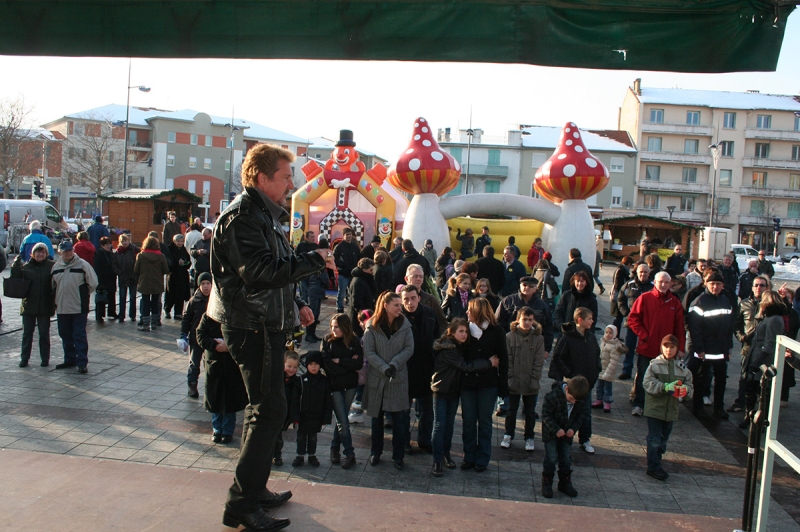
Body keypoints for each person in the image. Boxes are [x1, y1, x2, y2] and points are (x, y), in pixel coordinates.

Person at [209, 145, 329, 530]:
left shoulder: (261, 215)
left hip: (266, 324)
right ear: (262, 179)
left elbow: (271, 270)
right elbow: (259, 271)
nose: (292, 182)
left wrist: (295, 302)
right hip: (252, 327)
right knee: (270, 409)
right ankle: (241, 503)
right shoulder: (243, 218)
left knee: (265, 409)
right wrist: (314, 259)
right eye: (285, 176)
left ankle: (253, 491)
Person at [430, 318, 497, 476]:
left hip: (453, 392)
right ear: (451, 332)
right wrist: (488, 363)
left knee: (449, 425)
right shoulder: (449, 349)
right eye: (460, 331)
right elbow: (465, 366)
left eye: (466, 331)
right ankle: (437, 460)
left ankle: (446, 454)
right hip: (441, 390)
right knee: (440, 425)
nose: (464, 334)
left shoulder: (459, 347)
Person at [363, 291, 414, 470]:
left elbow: (409, 348)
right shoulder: (372, 326)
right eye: (397, 305)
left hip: (398, 378)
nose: (400, 308)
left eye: (400, 305)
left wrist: (394, 364)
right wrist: (384, 367)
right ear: (386, 306)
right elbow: (369, 351)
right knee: (376, 420)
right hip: (378, 379)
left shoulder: (405, 326)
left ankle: (398, 456)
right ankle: (375, 452)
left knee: (399, 421)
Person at [627, 271, 685, 417]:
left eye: (667, 282)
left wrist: (680, 348)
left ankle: (658, 406)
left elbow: (679, 327)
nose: (664, 285)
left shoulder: (674, 302)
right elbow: (633, 319)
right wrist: (645, 335)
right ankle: (639, 404)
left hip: (667, 350)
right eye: (661, 282)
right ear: (655, 282)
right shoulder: (645, 298)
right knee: (643, 376)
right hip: (647, 347)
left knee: (664, 377)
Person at [461, 298, 508, 472]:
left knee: (485, 422)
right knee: (468, 421)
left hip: (488, 384)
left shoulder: (497, 331)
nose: (466, 312)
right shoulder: (464, 330)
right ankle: (469, 456)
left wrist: (503, 387)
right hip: (468, 383)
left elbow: (503, 359)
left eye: (470, 310)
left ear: (478, 312)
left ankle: (482, 458)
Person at [549, 307, 601, 454]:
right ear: (580, 320)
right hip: (573, 383)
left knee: (586, 412)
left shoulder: (590, 337)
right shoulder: (567, 337)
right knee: (567, 411)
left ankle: (585, 439)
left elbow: (597, 355)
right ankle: (563, 438)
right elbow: (558, 357)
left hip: (587, 383)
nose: (592, 321)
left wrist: (596, 371)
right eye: (589, 319)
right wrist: (570, 375)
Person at [642, 335, 693, 481]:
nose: (668, 350)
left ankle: (656, 459)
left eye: (672, 347)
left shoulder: (682, 369)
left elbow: (690, 386)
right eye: (666, 347)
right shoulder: (654, 365)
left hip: (670, 411)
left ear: (677, 349)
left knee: (663, 440)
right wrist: (664, 387)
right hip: (655, 409)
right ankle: (653, 466)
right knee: (654, 439)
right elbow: (647, 384)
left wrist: (685, 390)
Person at [686, 270, 735, 420]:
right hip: (705, 350)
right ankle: (698, 407)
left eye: (718, 284)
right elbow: (695, 329)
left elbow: (729, 326)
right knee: (701, 379)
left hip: (721, 349)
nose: (715, 287)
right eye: (712, 284)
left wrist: (729, 347)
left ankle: (719, 408)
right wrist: (699, 349)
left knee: (721, 380)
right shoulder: (699, 302)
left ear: (723, 285)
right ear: (706, 284)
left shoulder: (726, 300)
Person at [196, 313, 249, 444]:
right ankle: (217, 429)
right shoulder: (208, 316)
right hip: (214, 363)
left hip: (232, 365)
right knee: (215, 398)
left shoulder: (236, 315)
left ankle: (227, 431)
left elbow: (243, 336)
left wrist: (229, 345)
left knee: (230, 399)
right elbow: (200, 335)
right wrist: (214, 345)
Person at [321, 314, 363, 469]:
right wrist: (348, 363)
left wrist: (339, 361)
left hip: (350, 385)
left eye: (337, 326)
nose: (333, 329)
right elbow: (326, 364)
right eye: (332, 326)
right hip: (335, 385)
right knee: (342, 421)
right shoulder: (327, 340)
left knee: (342, 419)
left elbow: (358, 364)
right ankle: (349, 453)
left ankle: (334, 448)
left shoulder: (354, 341)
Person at [501, 307, 545, 452]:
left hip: (530, 381)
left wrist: (534, 378)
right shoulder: (509, 337)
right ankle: (508, 434)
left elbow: (539, 362)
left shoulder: (538, 338)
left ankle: (529, 437)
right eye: (524, 319)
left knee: (530, 412)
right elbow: (508, 359)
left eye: (530, 320)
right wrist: (510, 377)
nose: (527, 322)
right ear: (518, 319)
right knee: (510, 410)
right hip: (514, 380)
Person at [400, 284, 438, 454]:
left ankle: (424, 439)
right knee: (403, 410)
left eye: (413, 298)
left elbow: (436, 337)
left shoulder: (429, 314)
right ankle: (404, 441)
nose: (410, 302)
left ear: (419, 298)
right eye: (406, 299)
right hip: (405, 369)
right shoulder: (398, 317)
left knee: (427, 410)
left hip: (426, 368)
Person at [740, 290, 786, 429]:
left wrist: (756, 363)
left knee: (761, 391)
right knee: (751, 388)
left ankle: (759, 421)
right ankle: (749, 416)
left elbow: (769, 343)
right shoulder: (768, 318)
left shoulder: (774, 319)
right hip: (755, 355)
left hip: (762, 360)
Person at [51, 239, 98, 374]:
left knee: (79, 335)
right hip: (62, 307)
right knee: (65, 334)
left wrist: (83, 295)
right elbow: (53, 286)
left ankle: (82, 362)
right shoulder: (56, 267)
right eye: (65, 251)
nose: (68, 253)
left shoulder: (83, 265)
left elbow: (93, 282)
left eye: (70, 250)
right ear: (60, 252)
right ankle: (69, 359)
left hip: (78, 306)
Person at [540, 376, 589, 499]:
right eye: (571, 399)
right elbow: (546, 415)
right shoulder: (552, 396)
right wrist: (556, 429)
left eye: (575, 401)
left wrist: (573, 429)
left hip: (567, 434)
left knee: (566, 458)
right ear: (566, 389)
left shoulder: (579, 400)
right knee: (551, 458)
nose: (573, 402)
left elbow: (580, 416)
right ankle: (547, 483)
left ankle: (564, 482)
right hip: (551, 433)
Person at [729, 275, 770, 414]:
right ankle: (741, 402)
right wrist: (741, 337)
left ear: (767, 287)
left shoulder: (770, 304)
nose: (759, 288)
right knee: (745, 375)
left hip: (764, 347)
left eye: (762, 285)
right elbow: (736, 324)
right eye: (756, 285)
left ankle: (761, 407)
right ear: (752, 287)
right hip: (748, 345)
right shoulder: (745, 303)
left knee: (762, 377)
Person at [10, 242, 54, 367]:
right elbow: (16, 277)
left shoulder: (51, 266)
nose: (40, 254)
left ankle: (45, 359)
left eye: (43, 252)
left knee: (44, 334)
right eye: (38, 252)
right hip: (29, 306)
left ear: (46, 254)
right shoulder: (27, 267)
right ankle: (24, 358)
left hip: (45, 306)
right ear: (32, 254)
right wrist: (15, 264)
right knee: (27, 334)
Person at [290, 351, 333, 468]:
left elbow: (328, 401)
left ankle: (312, 454)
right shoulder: (300, 381)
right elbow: (294, 400)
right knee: (301, 437)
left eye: (316, 364)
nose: (313, 366)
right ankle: (300, 455)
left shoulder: (324, 381)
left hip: (316, 416)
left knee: (313, 437)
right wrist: (295, 416)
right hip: (302, 416)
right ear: (306, 365)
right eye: (311, 364)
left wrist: (326, 417)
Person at [495, 276, 553, 354]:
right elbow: (498, 323)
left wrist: (546, 349)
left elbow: (548, 328)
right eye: (524, 285)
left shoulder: (542, 305)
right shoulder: (508, 301)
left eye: (530, 286)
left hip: (533, 346)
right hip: (510, 345)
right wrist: (500, 345)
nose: (527, 288)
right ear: (520, 285)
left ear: (535, 288)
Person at [617, 264, 653, 380]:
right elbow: (620, 299)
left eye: (645, 272)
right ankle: (626, 370)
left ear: (649, 273)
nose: (643, 274)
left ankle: (644, 373)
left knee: (645, 349)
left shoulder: (653, 287)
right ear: (637, 272)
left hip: (647, 324)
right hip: (632, 323)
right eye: (641, 272)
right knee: (629, 347)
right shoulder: (629, 284)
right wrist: (626, 314)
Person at [181, 272, 212, 398]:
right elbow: (186, 319)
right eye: (203, 284)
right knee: (194, 363)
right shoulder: (194, 301)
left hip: (210, 338)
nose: (205, 286)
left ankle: (210, 387)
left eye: (208, 283)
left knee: (209, 363)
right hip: (195, 338)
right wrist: (183, 334)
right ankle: (192, 385)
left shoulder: (215, 300)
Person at [133, 236, 169, 332]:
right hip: (157, 282)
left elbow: (136, 270)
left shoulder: (141, 256)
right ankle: (154, 323)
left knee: (145, 303)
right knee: (155, 303)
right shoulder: (161, 256)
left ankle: (145, 325)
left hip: (144, 282)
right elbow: (166, 270)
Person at [274, 351, 301, 467]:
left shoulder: (296, 382)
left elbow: (295, 401)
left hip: (284, 414)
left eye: (295, 367)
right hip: (273, 411)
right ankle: (268, 455)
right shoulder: (277, 378)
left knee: (278, 437)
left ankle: (277, 455)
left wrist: (293, 418)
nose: (292, 369)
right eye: (289, 366)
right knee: (270, 436)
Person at [593, 325, 628, 413]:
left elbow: (614, 362)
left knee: (607, 388)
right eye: (607, 332)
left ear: (615, 334)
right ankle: (599, 399)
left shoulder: (615, 346)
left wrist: (608, 372)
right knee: (599, 386)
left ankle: (607, 402)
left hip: (608, 371)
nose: (608, 335)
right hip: (600, 369)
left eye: (610, 333)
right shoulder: (603, 342)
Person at [403, 264, 447, 333]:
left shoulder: (430, 299)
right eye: (415, 276)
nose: (418, 279)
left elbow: (442, 322)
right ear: (406, 279)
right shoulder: (398, 300)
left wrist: (435, 339)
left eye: (421, 277)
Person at [346, 257, 377, 337]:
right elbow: (356, 302)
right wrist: (364, 316)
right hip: (360, 319)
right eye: (370, 270)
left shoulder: (366, 279)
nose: (372, 272)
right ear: (364, 270)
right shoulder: (358, 282)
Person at [333, 228, 361, 313]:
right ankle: (339, 308)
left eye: (350, 234)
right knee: (341, 292)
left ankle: (350, 306)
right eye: (347, 234)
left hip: (353, 274)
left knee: (352, 292)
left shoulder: (355, 247)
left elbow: (359, 258)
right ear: (343, 235)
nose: (349, 236)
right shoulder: (339, 247)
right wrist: (342, 265)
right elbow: (334, 259)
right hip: (343, 274)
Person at [114, 234, 139, 323]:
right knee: (122, 297)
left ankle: (132, 315)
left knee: (133, 297)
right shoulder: (117, 252)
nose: (124, 243)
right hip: (123, 277)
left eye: (126, 241)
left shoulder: (134, 250)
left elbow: (138, 262)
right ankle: (121, 316)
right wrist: (119, 272)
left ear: (129, 241)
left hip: (132, 277)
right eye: (122, 241)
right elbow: (114, 264)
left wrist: (136, 273)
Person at [165, 234, 191, 320]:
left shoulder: (183, 249)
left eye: (181, 241)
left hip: (182, 275)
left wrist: (185, 263)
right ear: (174, 241)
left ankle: (178, 312)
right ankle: (167, 309)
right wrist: (176, 262)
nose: (180, 243)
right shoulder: (169, 249)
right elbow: (168, 261)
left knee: (181, 294)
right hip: (173, 275)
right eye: (178, 241)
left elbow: (188, 261)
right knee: (171, 294)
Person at [93, 236, 117, 322]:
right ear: (102, 245)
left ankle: (111, 312)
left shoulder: (111, 254)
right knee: (101, 297)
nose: (108, 246)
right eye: (106, 245)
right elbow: (97, 268)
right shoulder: (98, 254)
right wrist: (100, 281)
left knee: (111, 295)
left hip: (111, 278)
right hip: (102, 278)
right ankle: (100, 314)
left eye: (109, 244)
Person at [609, 256, 634, 335]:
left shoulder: (621, 269)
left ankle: (615, 335)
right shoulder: (621, 270)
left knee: (618, 318)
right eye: (631, 265)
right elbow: (618, 284)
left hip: (617, 295)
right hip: (617, 296)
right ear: (629, 264)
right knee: (617, 318)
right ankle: (613, 335)